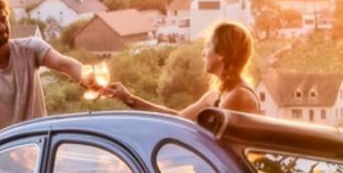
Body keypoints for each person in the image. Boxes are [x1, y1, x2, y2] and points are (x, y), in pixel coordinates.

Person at [0, 0, 97, 164]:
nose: (1, 27)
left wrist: (89, 78)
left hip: (41, 163)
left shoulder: (30, 48)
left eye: (3, 19)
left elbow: (64, 64)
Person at [103, 20, 261, 118]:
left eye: (208, 46)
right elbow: (178, 119)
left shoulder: (239, 96)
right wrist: (128, 98)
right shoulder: (216, 95)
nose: (203, 52)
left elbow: (217, 148)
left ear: (221, 54)